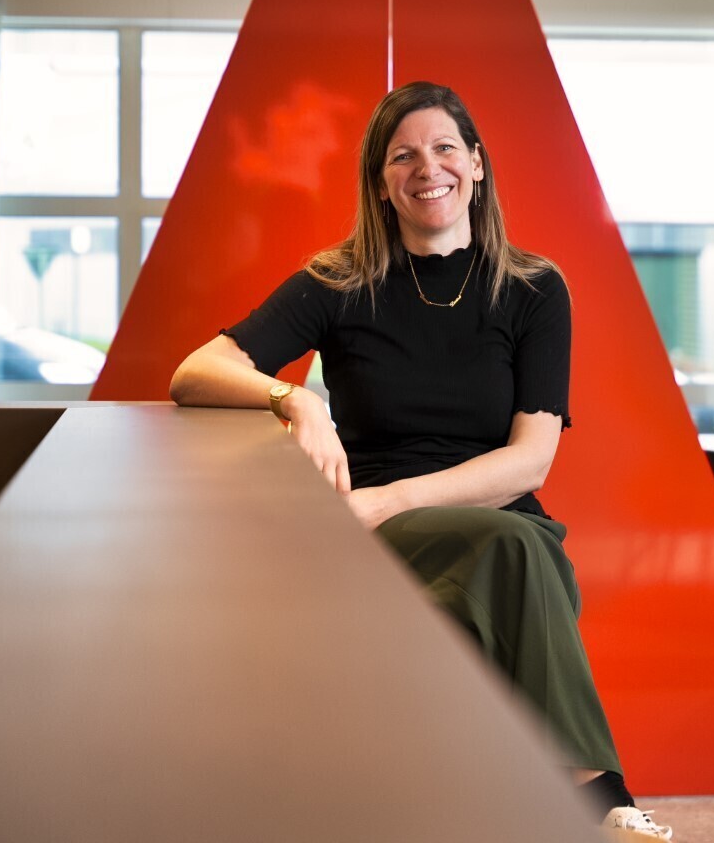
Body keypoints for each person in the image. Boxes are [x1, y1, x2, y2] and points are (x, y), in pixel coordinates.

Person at [169, 81, 672, 841]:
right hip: (377, 536)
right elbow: (195, 370)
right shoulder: (339, 283)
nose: (425, 168)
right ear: (381, 184)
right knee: (523, 571)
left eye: (443, 149)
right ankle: (596, 801)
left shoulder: (534, 290)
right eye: (402, 156)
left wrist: (389, 499)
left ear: (475, 164)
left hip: (468, 518)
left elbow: (529, 463)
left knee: (515, 556)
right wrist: (297, 401)